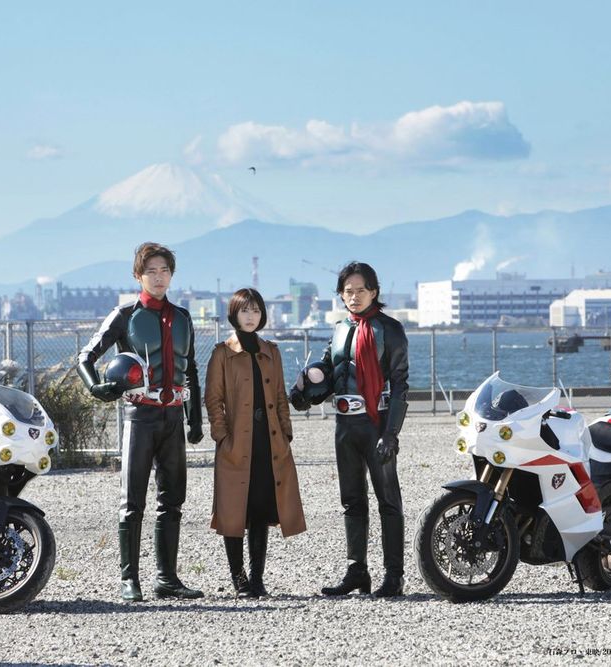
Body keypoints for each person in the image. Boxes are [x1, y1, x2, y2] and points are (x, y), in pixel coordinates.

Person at [77, 242, 204, 602]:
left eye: (164, 270)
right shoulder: (124, 315)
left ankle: (167, 579)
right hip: (140, 416)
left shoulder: (183, 317)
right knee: (132, 500)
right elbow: (86, 356)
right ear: (138, 275)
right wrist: (96, 387)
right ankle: (128, 579)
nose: (158, 277)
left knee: (172, 500)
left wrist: (195, 418)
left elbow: (191, 369)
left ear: (172, 275)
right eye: (151, 271)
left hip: (173, 416)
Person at [289, 261, 409, 598]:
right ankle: (357, 571)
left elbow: (401, 384)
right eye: (348, 291)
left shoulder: (390, 329)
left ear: (374, 291)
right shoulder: (341, 329)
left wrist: (391, 433)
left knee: (388, 500)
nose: (354, 297)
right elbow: (331, 372)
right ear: (341, 295)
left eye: (360, 290)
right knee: (351, 500)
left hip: (377, 422)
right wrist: (303, 392)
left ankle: (394, 576)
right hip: (345, 425)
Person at [205, 288, 306, 598]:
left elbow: (280, 396)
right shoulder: (222, 353)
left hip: (268, 442)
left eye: (256, 310)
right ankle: (239, 579)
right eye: (244, 310)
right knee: (233, 510)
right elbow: (213, 400)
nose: (251, 316)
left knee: (261, 509)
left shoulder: (271, 351)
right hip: (236, 443)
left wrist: (286, 434)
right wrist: (222, 437)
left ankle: (258, 578)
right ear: (234, 314)